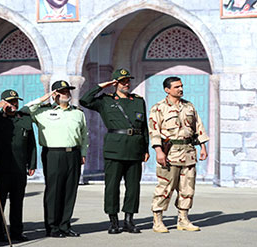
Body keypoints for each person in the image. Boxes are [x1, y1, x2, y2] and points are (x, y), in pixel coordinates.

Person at [79, 69, 150, 234]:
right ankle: (113, 221)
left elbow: (144, 126)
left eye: (128, 81)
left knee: (133, 187)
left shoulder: (138, 101)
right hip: (115, 149)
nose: (126, 83)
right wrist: (102, 86)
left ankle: (129, 220)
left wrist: (146, 148)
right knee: (112, 187)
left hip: (135, 148)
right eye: (122, 81)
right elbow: (84, 100)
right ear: (115, 83)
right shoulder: (105, 100)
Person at [26, 80, 88, 238]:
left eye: (67, 91)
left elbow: (84, 135)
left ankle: (65, 225)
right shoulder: (42, 112)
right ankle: (52, 227)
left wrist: (83, 153)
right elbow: (25, 109)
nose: (66, 94)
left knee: (70, 191)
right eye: (61, 91)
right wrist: (44, 98)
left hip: (73, 153)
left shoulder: (78, 113)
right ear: (54, 94)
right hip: (53, 154)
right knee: (54, 191)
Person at [148, 76, 209, 233]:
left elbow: (198, 126)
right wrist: (158, 151)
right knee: (165, 187)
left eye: (181, 86)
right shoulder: (158, 108)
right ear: (167, 90)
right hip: (170, 153)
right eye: (176, 87)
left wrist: (203, 147)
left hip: (188, 153)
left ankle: (183, 219)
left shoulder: (189, 106)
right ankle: (158, 220)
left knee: (187, 188)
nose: (180, 89)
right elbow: (154, 131)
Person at [0, 89, 37, 242]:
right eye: (9, 102)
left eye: (15, 101)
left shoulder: (24, 119)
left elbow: (31, 144)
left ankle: (16, 232)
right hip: (0, 168)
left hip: (19, 168)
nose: (13, 104)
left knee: (17, 202)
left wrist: (32, 164)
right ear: (3, 103)